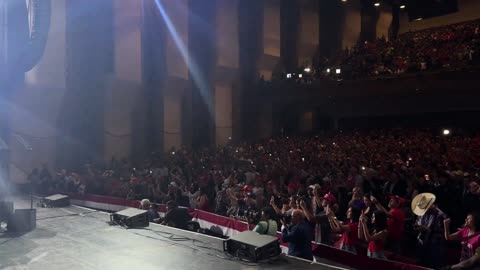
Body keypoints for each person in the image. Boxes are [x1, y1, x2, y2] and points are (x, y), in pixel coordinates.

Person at [412, 193, 447, 269]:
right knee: (420, 264)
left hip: (434, 245)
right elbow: (417, 223)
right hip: (421, 241)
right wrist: (417, 227)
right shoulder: (422, 211)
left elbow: (439, 231)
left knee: (433, 265)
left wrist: (426, 229)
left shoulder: (440, 214)